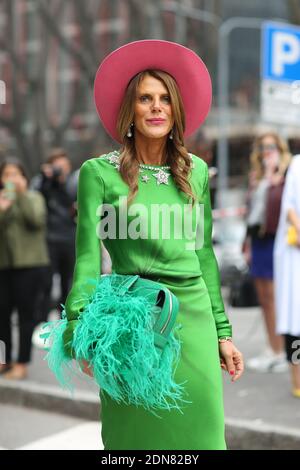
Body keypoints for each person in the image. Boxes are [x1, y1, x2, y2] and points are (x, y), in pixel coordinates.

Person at [53, 40, 244, 450]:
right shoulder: (98, 174)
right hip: (132, 320)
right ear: (131, 110)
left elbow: (203, 254)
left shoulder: (196, 173)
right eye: (145, 98)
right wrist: (77, 330)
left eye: (165, 99)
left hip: (192, 317)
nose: (156, 107)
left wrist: (223, 333)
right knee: (133, 441)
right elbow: (88, 257)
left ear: (175, 111)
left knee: (204, 436)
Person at [243, 132, 291, 372]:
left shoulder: (286, 176)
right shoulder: (256, 177)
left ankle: (283, 349)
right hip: (257, 239)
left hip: (276, 240)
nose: (266, 151)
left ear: (280, 149)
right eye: (262, 147)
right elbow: (251, 212)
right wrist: (246, 244)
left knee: (276, 297)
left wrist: (275, 178)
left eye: (271, 146)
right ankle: (272, 348)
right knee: (263, 297)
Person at [0, 157, 49, 379]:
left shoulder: (34, 198)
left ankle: (22, 362)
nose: (11, 179)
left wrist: (20, 196)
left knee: (25, 316)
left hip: (30, 266)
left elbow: (35, 220)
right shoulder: (2, 201)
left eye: (15, 174)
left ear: (24, 177)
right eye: (6, 175)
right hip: (4, 266)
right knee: (1, 316)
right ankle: (3, 359)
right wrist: (5, 207)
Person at [31, 148, 78, 323]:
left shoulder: (73, 183)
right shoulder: (44, 183)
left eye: (63, 166)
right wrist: (46, 179)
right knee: (46, 283)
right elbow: (36, 197)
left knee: (68, 283)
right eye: (56, 166)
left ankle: (64, 318)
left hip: (69, 239)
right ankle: (41, 321)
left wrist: (62, 181)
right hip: (49, 240)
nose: (60, 169)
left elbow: (75, 204)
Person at [274, 154, 300, 398]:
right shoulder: (297, 165)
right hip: (295, 256)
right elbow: (289, 206)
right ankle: (297, 380)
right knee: (295, 320)